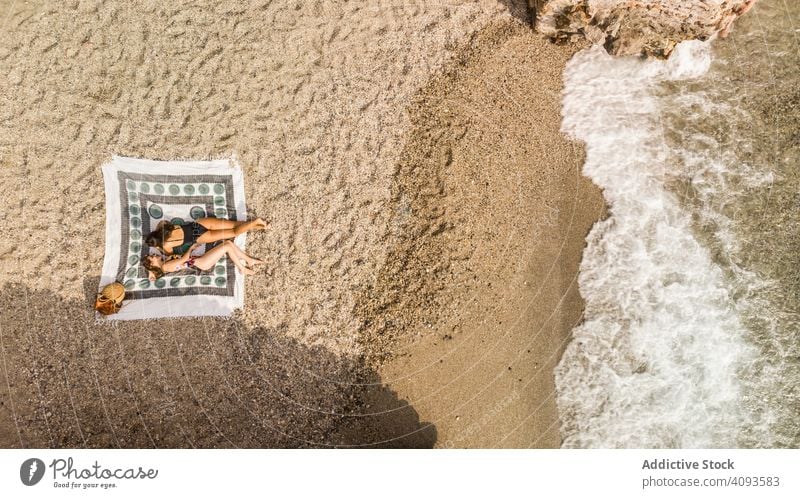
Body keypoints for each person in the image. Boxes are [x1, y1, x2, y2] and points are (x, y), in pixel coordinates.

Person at [142, 240, 263, 280]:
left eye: (152, 254)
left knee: (228, 244)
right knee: (227, 246)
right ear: (153, 263)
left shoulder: (164, 263)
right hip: (203, 262)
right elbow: (184, 259)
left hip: (201, 260)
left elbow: (153, 274)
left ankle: (249, 260)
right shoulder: (165, 266)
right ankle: (242, 268)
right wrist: (191, 247)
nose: (154, 254)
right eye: (152, 256)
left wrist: (151, 273)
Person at [145, 217, 268, 255]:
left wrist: (159, 248)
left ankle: (256, 224)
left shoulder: (166, 246)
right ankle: (260, 225)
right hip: (198, 224)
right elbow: (163, 222)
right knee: (234, 224)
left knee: (234, 232)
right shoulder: (164, 227)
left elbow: (171, 255)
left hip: (199, 237)